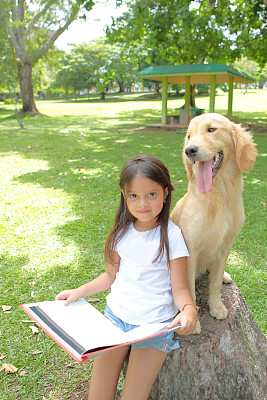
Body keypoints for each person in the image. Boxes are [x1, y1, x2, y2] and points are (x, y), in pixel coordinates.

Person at [56, 154, 198, 400]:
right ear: (124, 195)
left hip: (154, 327)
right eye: (134, 195)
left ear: (165, 193)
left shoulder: (172, 236)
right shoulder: (122, 231)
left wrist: (187, 310)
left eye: (151, 194)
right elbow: (110, 274)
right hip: (115, 320)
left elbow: (179, 288)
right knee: (98, 396)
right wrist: (78, 292)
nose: (143, 203)